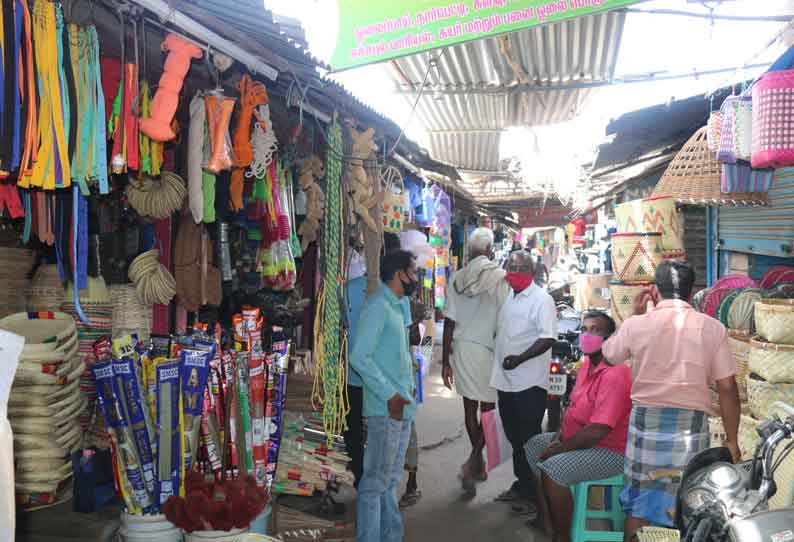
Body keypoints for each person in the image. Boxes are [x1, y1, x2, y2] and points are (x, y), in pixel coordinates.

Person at [602, 260, 740, 541]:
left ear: (655, 290)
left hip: (645, 426)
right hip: (691, 429)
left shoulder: (636, 325)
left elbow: (609, 355)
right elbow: (727, 386)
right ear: (692, 292)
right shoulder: (712, 328)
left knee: (638, 504)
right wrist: (732, 439)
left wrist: (633, 314)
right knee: (686, 504)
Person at [525, 311, 631, 541]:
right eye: (584, 330)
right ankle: (548, 520)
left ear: (609, 339)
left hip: (609, 451)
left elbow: (598, 429)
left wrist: (562, 448)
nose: (587, 335)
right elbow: (571, 410)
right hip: (581, 440)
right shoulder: (586, 367)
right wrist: (558, 439)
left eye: (596, 330)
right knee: (534, 446)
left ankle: (563, 536)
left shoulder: (615, 374)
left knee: (554, 469)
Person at [349, 249, 418, 542]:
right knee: (374, 484)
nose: (416, 278)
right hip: (385, 407)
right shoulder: (378, 306)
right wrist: (390, 393)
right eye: (413, 272)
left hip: (401, 407)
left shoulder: (398, 304)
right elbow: (358, 356)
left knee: (389, 481)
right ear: (399, 273)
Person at [442, 227, 510, 496]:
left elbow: (448, 320)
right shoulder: (500, 278)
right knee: (490, 412)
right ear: (490, 250)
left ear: (469, 251)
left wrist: (446, 359)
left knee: (470, 409)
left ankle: (475, 462)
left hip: (462, 349)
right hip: (489, 349)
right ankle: (474, 461)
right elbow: (506, 320)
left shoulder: (457, 277)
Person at [492, 250, 557, 512]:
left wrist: (520, 359)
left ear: (530, 272)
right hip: (506, 381)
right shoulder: (510, 296)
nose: (512, 272)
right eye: (510, 267)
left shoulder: (542, 300)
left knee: (530, 438)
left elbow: (547, 338)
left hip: (529, 381)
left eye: (519, 268)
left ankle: (537, 496)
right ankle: (523, 485)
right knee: (514, 436)